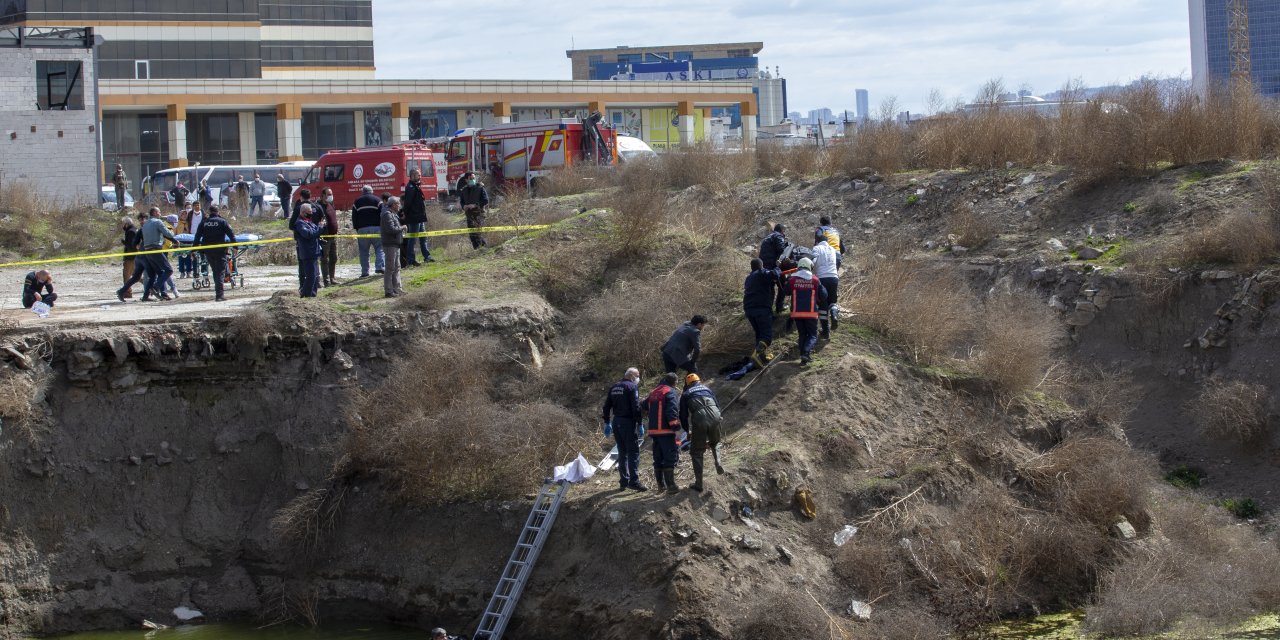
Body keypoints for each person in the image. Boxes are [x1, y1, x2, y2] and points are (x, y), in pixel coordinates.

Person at [602, 367, 648, 492]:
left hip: (616, 422)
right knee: (633, 452)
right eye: (637, 376)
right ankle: (634, 482)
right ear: (631, 375)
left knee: (622, 452)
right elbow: (636, 406)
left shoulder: (614, 387)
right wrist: (640, 423)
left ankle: (623, 481)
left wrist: (607, 422)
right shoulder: (631, 387)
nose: (638, 378)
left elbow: (606, 406)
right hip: (627, 422)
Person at [118, 207, 176, 302]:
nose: (142, 221)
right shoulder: (150, 226)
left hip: (141, 255)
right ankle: (161, 292)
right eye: (140, 220)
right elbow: (166, 234)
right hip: (146, 256)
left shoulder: (143, 228)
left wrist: (137, 246)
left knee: (140, 276)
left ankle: (123, 291)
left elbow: (134, 243)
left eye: (143, 219)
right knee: (158, 273)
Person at [679, 373, 724, 492]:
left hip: (700, 418)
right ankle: (718, 462)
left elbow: (683, 415)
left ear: (687, 384)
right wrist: (718, 417)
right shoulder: (707, 389)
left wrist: (687, 430)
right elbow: (717, 404)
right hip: (715, 415)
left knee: (696, 451)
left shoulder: (686, 394)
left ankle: (699, 484)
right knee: (715, 442)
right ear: (699, 381)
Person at [641, 372, 682, 493]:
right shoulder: (670, 391)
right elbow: (672, 410)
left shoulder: (654, 392)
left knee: (658, 458)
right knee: (670, 457)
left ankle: (661, 486)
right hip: (666, 431)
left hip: (654, 431)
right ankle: (671, 486)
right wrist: (676, 427)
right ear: (674, 382)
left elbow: (644, 405)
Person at [787, 257, 828, 365]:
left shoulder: (792, 279)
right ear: (810, 267)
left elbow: (786, 291)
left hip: (796, 313)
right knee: (812, 335)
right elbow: (824, 295)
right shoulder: (815, 280)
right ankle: (806, 352)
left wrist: (788, 279)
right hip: (811, 313)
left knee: (802, 335)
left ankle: (803, 357)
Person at [193, 205, 236, 301]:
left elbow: (197, 236)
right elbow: (231, 234)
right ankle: (219, 296)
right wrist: (235, 246)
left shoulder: (204, 222)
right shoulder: (222, 221)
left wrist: (193, 249)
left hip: (208, 250)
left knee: (215, 271)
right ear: (218, 212)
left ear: (209, 212)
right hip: (220, 250)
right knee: (220, 272)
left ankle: (219, 293)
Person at [743, 258, 779, 367]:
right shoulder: (761, 272)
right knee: (767, 337)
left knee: (759, 335)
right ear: (761, 266)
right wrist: (778, 267)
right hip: (761, 308)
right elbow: (774, 275)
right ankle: (757, 355)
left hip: (749, 309)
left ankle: (761, 358)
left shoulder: (749, 278)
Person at [401, 168, 433, 265]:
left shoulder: (416, 186)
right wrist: (405, 214)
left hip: (420, 217)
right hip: (414, 217)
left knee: (423, 237)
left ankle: (427, 256)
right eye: (416, 175)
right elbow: (407, 203)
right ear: (411, 176)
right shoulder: (411, 187)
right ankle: (411, 260)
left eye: (419, 175)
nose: (419, 177)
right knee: (413, 239)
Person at [812, 236, 841, 338]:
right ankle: (834, 315)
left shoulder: (816, 248)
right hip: (834, 277)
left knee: (823, 304)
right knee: (832, 301)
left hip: (822, 278)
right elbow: (838, 261)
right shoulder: (832, 249)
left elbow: (813, 262)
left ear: (817, 241)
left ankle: (825, 331)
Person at [352, 185, 384, 277]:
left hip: (362, 229)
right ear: (372, 191)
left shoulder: (357, 201)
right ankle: (379, 267)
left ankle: (365, 272)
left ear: (363, 192)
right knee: (380, 248)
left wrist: (357, 228)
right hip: (376, 228)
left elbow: (354, 216)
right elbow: (382, 214)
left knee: (364, 251)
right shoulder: (378, 200)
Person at [292, 203, 323, 298]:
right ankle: (305, 294)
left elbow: (315, 231)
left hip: (314, 251)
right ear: (303, 212)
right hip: (307, 252)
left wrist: (320, 227)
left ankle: (313, 294)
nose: (311, 214)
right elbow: (308, 234)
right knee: (311, 276)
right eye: (309, 212)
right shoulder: (300, 223)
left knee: (316, 276)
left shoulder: (309, 222)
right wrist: (319, 228)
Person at [759, 223, 790, 312]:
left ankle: (768, 310)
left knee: (770, 288)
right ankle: (779, 307)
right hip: (773, 266)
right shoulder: (778, 236)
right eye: (784, 231)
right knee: (783, 285)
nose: (784, 233)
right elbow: (781, 249)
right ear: (781, 230)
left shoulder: (768, 237)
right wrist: (787, 247)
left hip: (764, 266)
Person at [380, 196, 406, 298]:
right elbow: (391, 229)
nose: (399, 205)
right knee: (390, 268)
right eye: (398, 204)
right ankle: (389, 291)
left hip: (395, 244)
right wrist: (402, 227)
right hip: (390, 244)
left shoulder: (393, 214)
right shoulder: (387, 214)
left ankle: (397, 289)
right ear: (393, 204)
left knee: (396, 267)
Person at [458, 171, 490, 249]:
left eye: (474, 178)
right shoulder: (464, 190)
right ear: (466, 180)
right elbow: (461, 202)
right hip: (469, 216)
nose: (473, 180)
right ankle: (477, 251)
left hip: (479, 214)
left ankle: (485, 249)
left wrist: (475, 205)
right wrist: (464, 206)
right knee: (472, 235)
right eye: (471, 178)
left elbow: (486, 200)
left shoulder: (480, 188)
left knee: (478, 233)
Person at [319, 187, 340, 286]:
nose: (331, 196)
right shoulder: (319, 207)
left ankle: (332, 278)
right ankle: (326, 280)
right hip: (324, 237)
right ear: (323, 195)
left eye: (331, 194)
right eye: (328, 194)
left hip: (333, 236)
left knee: (334, 258)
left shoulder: (331, 205)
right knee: (324, 259)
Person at [120, 216, 138, 299]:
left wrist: (124, 242)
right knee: (136, 276)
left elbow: (131, 246)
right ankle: (150, 287)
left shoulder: (131, 232)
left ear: (126, 224)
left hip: (130, 257)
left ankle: (128, 292)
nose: (122, 225)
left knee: (126, 276)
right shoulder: (133, 230)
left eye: (123, 223)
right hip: (133, 257)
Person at [175, 208, 193, 278]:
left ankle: (189, 272)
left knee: (189, 257)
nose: (184, 215)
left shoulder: (189, 223)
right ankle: (182, 272)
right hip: (180, 241)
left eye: (186, 214)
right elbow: (175, 232)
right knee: (181, 257)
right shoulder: (177, 223)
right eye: (183, 214)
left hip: (188, 241)